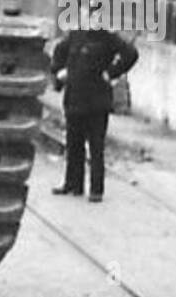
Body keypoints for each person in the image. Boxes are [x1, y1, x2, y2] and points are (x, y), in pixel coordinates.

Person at [49, 20, 139, 203]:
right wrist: (59, 74)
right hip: (74, 99)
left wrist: (112, 72)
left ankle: (96, 189)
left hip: (97, 102)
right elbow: (59, 50)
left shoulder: (107, 38)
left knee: (96, 146)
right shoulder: (76, 35)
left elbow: (130, 54)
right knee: (73, 144)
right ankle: (73, 184)